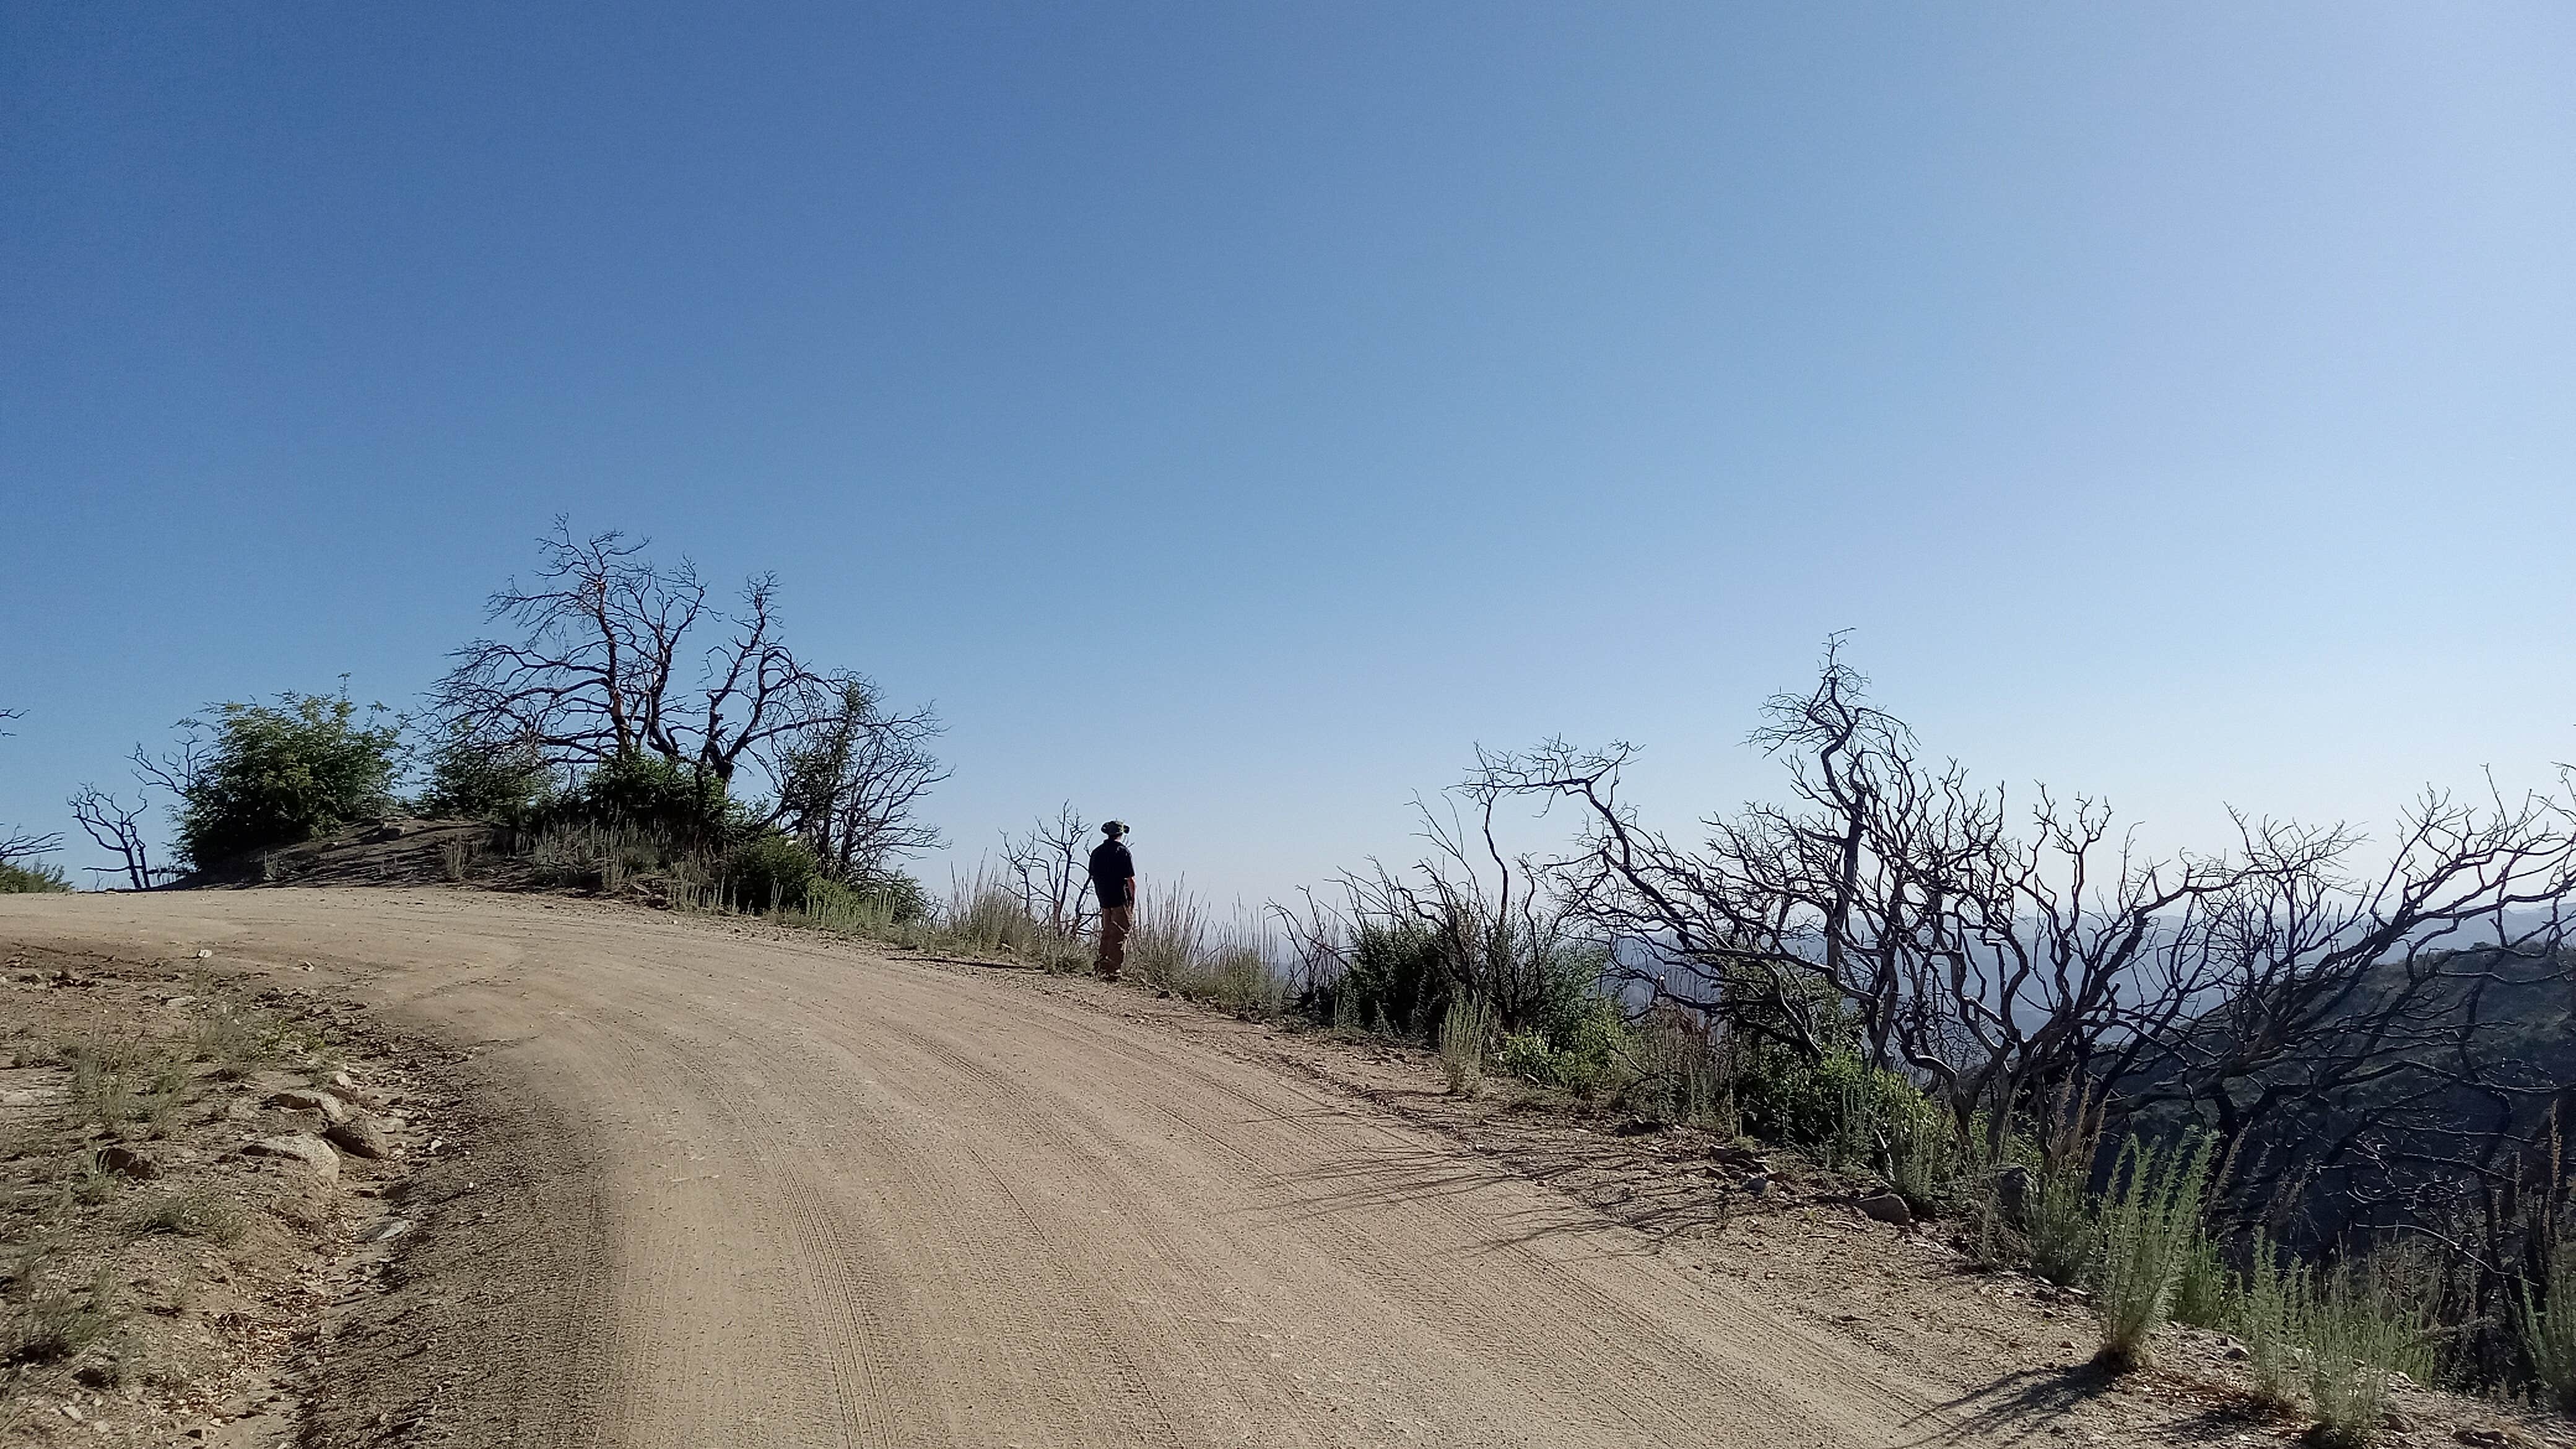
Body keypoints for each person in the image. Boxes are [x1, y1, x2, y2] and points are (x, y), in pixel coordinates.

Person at [1088, 820, 1136, 981]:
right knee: (1120, 933)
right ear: (1121, 834)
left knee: (1107, 932)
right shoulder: (1123, 852)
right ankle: (1113, 970)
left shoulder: (1097, 852)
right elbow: (1130, 880)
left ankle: (1101, 965)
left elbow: (1093, 876)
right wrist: (1132, 900)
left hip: (1104, 898)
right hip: (1120, 898)